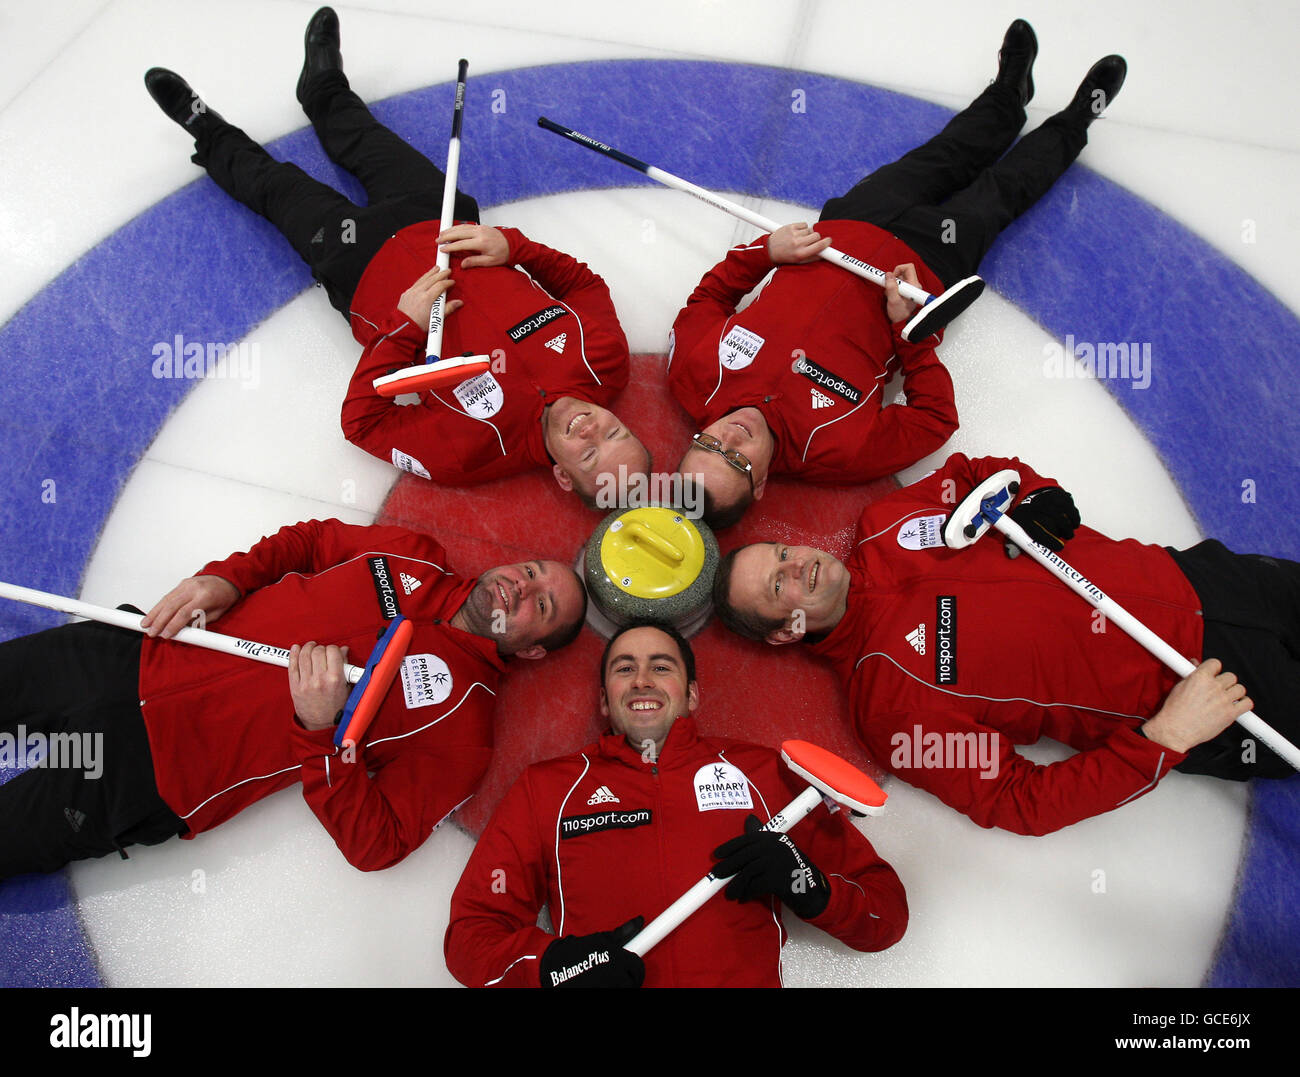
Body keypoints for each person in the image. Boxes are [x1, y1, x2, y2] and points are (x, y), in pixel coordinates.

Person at [143, 7, 649, 505]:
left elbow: (361, 423)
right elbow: (584, 287)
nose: (592, 430)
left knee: (276, 188)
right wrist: (514, 247)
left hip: (360, 268)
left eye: (587, 456)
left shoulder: (469, 455)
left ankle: (205, 129)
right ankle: (322, 89)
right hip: (441, 218)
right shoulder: (606, 363)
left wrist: (401, 327)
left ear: (563, 477)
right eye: (616, 433)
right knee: (365, 138)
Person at [668, 20, 1126, 528]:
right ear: (760, 486)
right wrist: (909, 330)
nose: (730, 437)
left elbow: (708, 301)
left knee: (945, 155)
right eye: (736, 460)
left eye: (709, 443)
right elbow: (934, 419)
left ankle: (1009, 93)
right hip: (926, 265)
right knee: (1003, 191)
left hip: (849, 225)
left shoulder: (691, 378)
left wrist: (766, 252)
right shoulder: (838, 455)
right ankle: (1077, 120)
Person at [710, 452, 1300, 836]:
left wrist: (1036, 496)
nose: (798, 564)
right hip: (1213, 690)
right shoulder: (888, 710)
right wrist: (1165, 739)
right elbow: (1019, 801)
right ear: (786, 630)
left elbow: (975, 476)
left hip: (1204, 579)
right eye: (777, 583)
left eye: (782, 553)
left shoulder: (887, 520)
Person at [0, 518, 588, 879]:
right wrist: (231, 577)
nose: (522, 585)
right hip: (134, 651)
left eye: (541, 605)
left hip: (155, 777)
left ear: (534, 651)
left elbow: (377, 843)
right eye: (533, 570)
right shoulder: (414, 553)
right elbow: (308, 542)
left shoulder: (465, 730)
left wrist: (319, 730)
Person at [443, 622, 907, 987]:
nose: (642, 680)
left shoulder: (767, 775)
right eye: (624, 669)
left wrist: (807, 884)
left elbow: (884, 917)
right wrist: (554, 966)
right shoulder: (545, 789)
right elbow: (471, 941)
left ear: (692, 695)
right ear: (605, 701)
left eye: (661, 667)